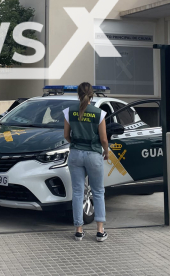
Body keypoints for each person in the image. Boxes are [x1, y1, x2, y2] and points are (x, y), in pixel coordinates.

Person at [62, 82, 110, 242]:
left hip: (75, 154)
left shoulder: (69, 112)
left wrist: (75, 143)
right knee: (98, 191)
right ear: (92, 95)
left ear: (78, 94)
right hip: (93, 154)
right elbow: (103, 139)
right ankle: (100, 231)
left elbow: (66, 135)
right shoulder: (99, 113)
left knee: (77, 192)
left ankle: (78, 230)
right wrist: (107, 152)